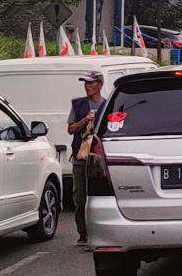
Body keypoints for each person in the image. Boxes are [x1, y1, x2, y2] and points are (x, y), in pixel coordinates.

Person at [67, 71, 107, 246]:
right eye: (85, 83)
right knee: (80, 196)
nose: (87, 86)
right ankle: (83, 234)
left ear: (100, 84)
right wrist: (85, 120)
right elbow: (71, 129)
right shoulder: (78, 105)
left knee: (100, 196)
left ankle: (101, 233)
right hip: (80, 158)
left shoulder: (107, 105)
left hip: (99, 159)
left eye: (91, 83)